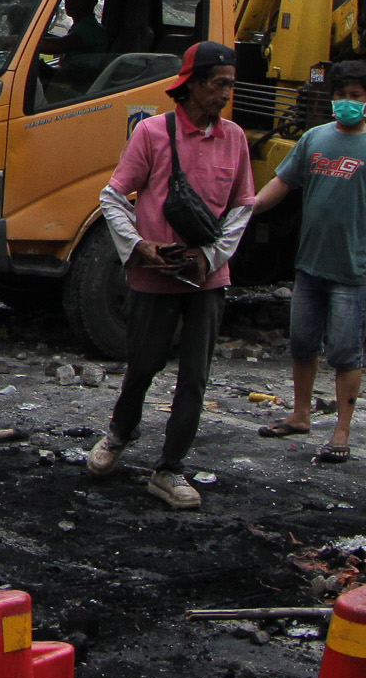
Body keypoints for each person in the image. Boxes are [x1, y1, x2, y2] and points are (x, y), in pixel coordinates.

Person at [87, 41, 256, 510]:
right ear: (193, 84)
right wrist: (141, 247)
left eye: (230, 84)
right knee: (142, 366)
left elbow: (243, 205)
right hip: (154, 276)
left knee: (195, 378)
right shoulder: (153, 134)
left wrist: (213, 256)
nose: (226, 93)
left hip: (207, 279)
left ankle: (169, 469)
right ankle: (119, 433)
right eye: (219, 83)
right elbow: (114, 196)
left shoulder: (235, 139)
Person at [250, 60, 366, 463]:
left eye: (355, 96)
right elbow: (283, 181)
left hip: (351, 270)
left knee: (345, 351)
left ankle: (341, 431)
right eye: (340, 95)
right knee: (302, 343)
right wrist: (253, 205)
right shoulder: (314, 139)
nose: (346, 103)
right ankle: (301, 414)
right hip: (309, 265)